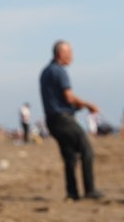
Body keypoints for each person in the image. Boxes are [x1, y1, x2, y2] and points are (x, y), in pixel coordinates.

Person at [38, 40, 103, 201]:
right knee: (86, 150)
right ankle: (89, 190)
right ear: (61, 54)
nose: (72, 57)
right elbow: (68, 96)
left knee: (70, 156)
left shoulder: (46, 71)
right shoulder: (59, 71)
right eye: (70, 53)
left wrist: (76, 107)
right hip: (62, 120)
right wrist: (87, 105)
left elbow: (59, 100)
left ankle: (72, 192)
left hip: (52, 121)